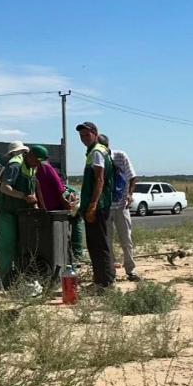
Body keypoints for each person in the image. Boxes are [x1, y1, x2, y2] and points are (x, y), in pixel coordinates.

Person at [30, 143, 85, 268]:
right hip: (51, 208)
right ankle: (66, 261)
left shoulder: (39, 168)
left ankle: (64, 261)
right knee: (60, 236)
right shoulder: (42, 167)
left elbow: (57, 188)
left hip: (49, 209)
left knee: (56, 237)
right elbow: (58, 188)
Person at [76, 122, 115, 289]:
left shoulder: (97, 152)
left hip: (98, 206)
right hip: (98, 204)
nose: (84, 138)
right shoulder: (95, 151)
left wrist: (92, 204)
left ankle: (103, 282)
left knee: (97, 244)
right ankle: (105, 278)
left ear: (95, 133)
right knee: (99, 243)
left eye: (87, 135)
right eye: (81, 136)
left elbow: (99, 180)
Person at [0, 141, 37, 288]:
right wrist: (24, 196)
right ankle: (3, 278)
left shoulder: (28, 166)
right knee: (7, 246)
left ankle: (16, 277)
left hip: (20, 212)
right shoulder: (14, 165)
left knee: (19, 245)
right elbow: (5, 188)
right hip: (8, 211)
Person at [99, 134, 140, 281]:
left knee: (126, 239)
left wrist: (129, 194)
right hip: (105, 206)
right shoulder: (96, 158)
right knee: (107, 240)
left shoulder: (120, 155)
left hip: (121, 204)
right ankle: (111, 272)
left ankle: (131, 270)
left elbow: (132, 176)